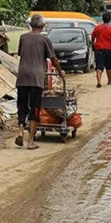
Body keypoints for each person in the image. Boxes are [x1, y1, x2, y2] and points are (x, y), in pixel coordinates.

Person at [15, 14, 65, 150]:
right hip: (36, 78)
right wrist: (60, 72)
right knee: (35, 108)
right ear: (43, 26)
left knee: (22, 105)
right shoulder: (45, 40)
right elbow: (53, 59)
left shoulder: (23, 37)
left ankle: (20, 131)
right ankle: (30, 141)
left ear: (31, 25)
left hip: (22, 76)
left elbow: (20, 54)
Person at [91, 13, 111, 88]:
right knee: (109, 65)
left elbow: (93, 37)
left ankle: (99, 81)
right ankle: (109, 81)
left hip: (99, 49)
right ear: (110, 20)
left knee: (99, 66)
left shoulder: (97, 28)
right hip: (109, 49)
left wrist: (93, 44)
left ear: (102, 19)